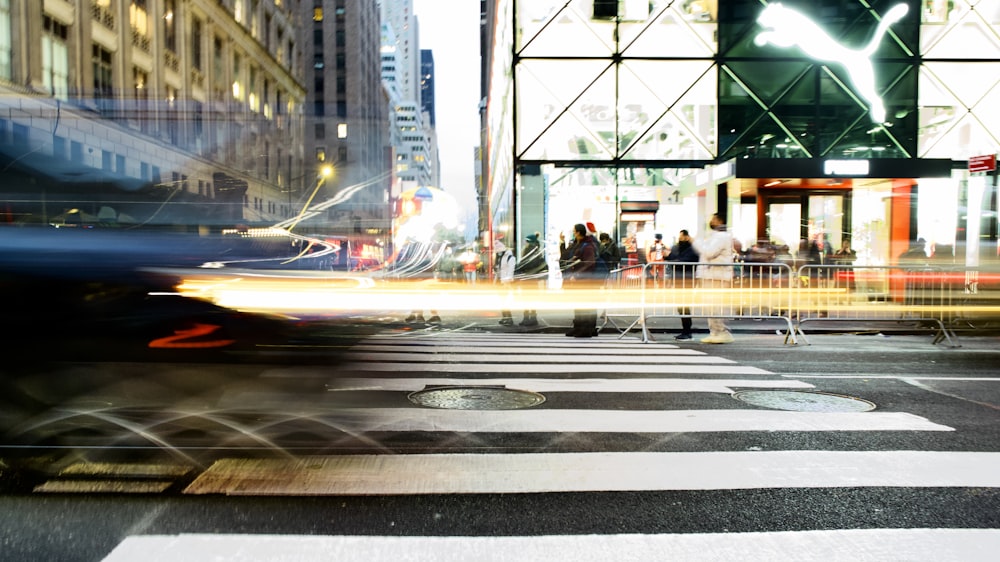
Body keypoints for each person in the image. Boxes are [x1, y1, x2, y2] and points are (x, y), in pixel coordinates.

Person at [693, 213, 735, 344]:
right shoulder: (716, 236)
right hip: (713, 275)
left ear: (719, 220)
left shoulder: (721, 237)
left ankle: (721, 332)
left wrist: (696, 242)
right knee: (711, 305)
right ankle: (715, 332)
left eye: (713, 218)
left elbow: (709, 252)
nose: (710, 221)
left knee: (715, 305)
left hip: (717, 276)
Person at [565, 223, 600, 338]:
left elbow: (590, 262)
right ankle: (579, 327)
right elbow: (566, 255)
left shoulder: (588, 245)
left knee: (584, 304)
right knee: (579, 303)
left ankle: (585, 329)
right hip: (580, 280)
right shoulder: (578, 244)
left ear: (579, 232)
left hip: (586, 280)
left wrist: (577, 274)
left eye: (574, 231)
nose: (573, 233)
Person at [666, 229, 699, 340]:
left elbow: (685, 261)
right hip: (678, 279)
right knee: (681, 306)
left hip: (687, 280)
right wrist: (668, 257)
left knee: (685, 306)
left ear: (687, 237)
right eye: (680, 237)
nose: (680, 239)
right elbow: (671, 257)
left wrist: (673, 259)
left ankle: (687, 331)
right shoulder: (677, 248)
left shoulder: (692, 249)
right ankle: (685, 330)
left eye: (682, 237)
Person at [517, 232, 546, 326]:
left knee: (525, 299)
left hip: (527, 279)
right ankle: (533, 318)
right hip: (533, 280)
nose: (525, 243)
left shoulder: (528, 252)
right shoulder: (537, 252)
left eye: (526, 241)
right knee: (532, 298)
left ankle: (526, 318)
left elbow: (523, 265)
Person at [495, 240, 516, 325]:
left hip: (505, 283)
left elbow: (511, 271)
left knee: (506, 301)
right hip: (500, 282)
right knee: (502, 301)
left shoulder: (510, 257)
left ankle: (509, 319)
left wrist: (506, 282)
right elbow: (499, 270)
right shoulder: (501, 257)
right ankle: (504, 317)